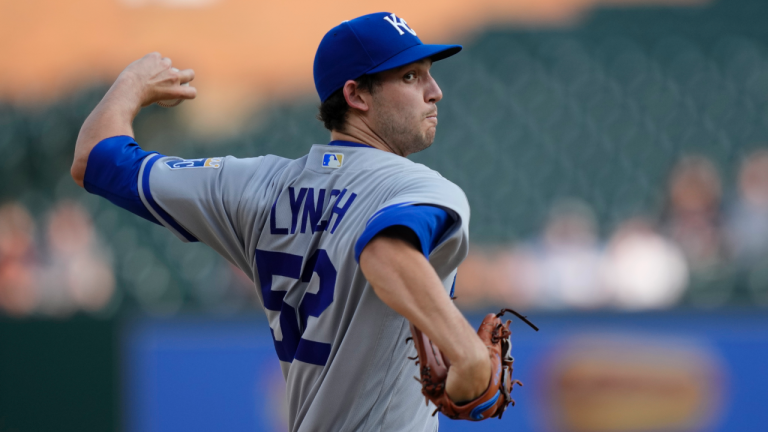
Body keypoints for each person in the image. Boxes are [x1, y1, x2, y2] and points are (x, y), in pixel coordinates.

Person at [71, 12, 490, 432]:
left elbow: (95, 159)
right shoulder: (420, 188)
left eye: (428, 75)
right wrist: (467, 354)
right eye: (411, 77)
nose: (435, 92)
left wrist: (131, 83)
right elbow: (383, 252)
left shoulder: (255, 184)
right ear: (356, 95)